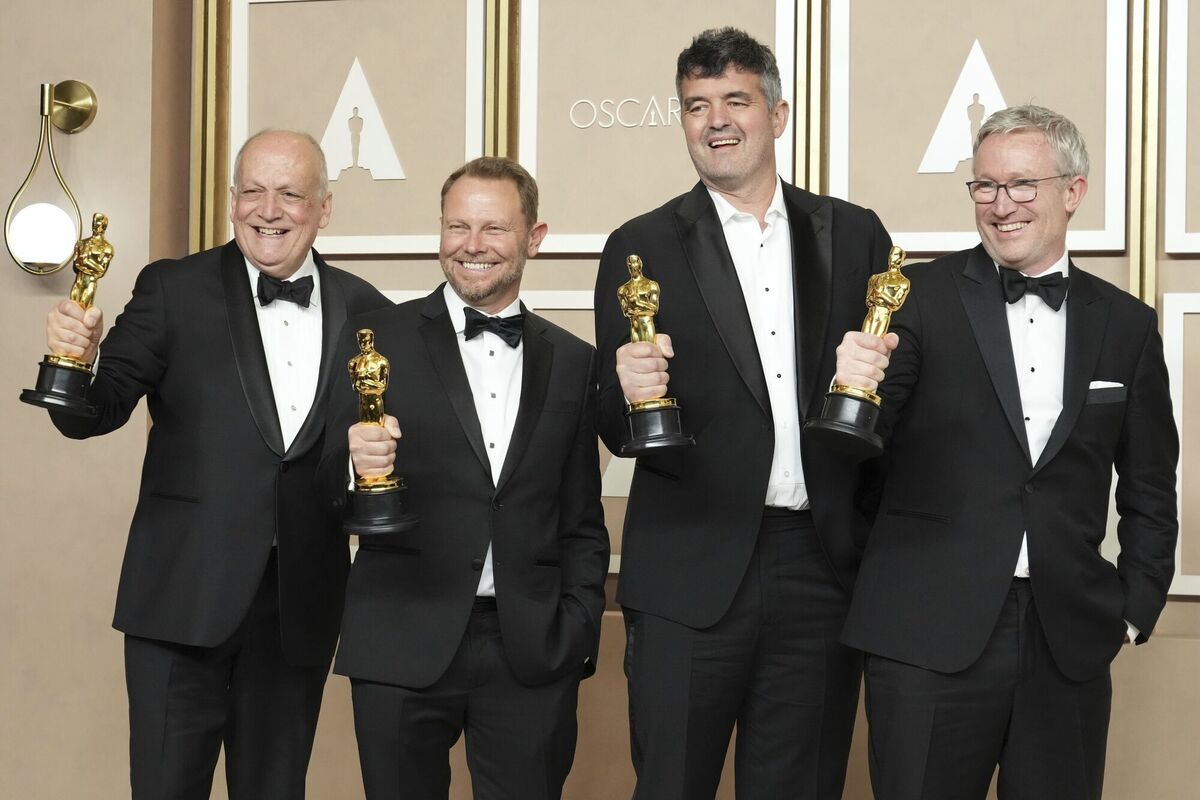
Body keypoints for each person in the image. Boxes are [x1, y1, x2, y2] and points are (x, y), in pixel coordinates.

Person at [836, 105, 1179, 799]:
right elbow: (857, 455)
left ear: (1073, 192)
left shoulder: (1127, 326)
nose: (1001, 205)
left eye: (1022, 185)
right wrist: (849, 388)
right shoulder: (916, 300)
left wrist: (1135, 605)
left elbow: (1149, 488)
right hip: (925, 636)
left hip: (1067, 640)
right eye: (985, 187)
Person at [41, 129, 391, 799]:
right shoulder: (173, 288)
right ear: (231, 200)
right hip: (179, 602)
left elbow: (370, 455)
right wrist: (73, 362)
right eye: (253, 190)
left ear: (324, 208)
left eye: (290, 193)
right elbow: (94, 411)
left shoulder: (367, 310)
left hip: (298, 610)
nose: (269, 208)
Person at [593, 27, 894, 800]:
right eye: (697, 105)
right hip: (688, 570)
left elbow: (896, 402)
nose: (716, 120)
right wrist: (623, 390)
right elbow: (610, 416)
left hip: (819, 567)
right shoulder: (641, 245)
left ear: (778, 113)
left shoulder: (855, 234)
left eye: (736, 100)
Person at [319, 156, 609, 800]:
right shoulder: (373, 340)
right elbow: (321, 488)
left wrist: (576, 626)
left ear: (534, 238)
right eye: (458, 227)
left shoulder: (572, 360)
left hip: (531, 649)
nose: (472, 246)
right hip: (401, 636)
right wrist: (351, 466)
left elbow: (581, 518)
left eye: (494, 229)